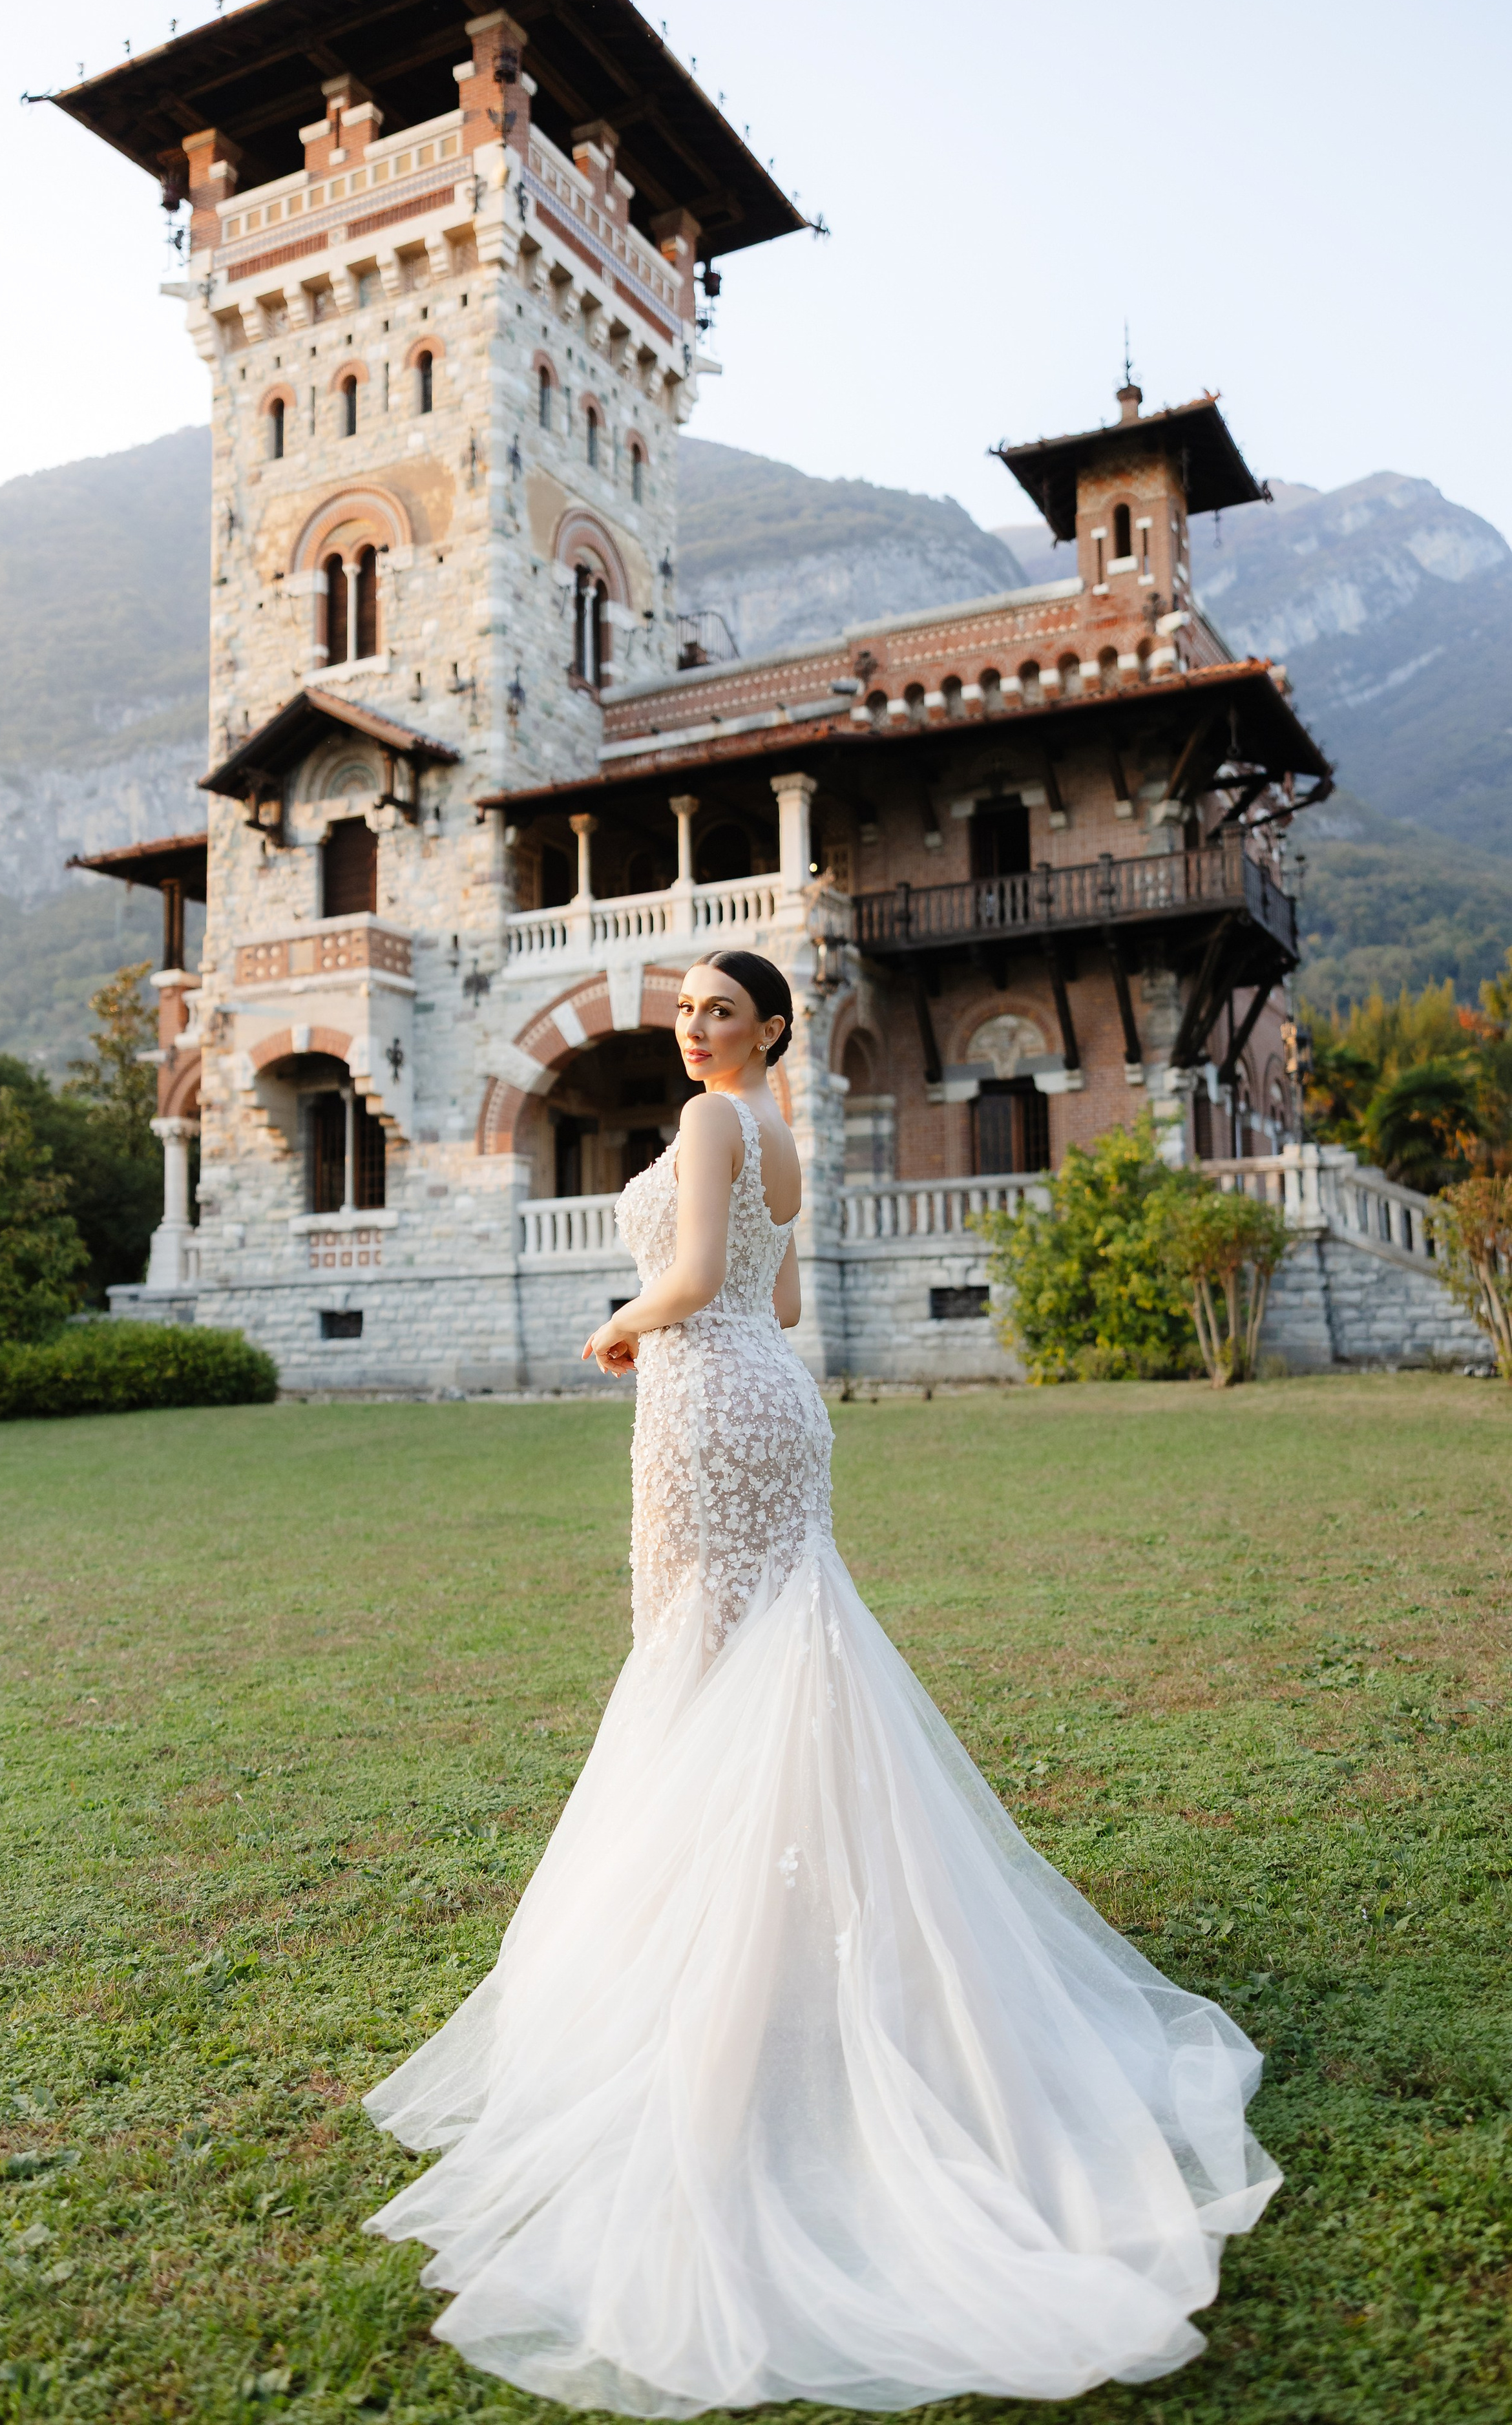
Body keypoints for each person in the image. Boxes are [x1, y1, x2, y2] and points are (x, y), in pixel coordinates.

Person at [362, 948, 1279, 2413]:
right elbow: (775, 1302)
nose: (694, 1028)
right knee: (766, 1660)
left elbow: (681, 1280)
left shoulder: (720, 1122)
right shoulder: (777, 1136)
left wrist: (617, 1320)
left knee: (700, 1664)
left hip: (707, 1408)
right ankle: (789, 1936)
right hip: (762, 1395)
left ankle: (733, 1965)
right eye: (683, 1013)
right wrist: (680, 1317)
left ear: (769, 1026)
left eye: (719, 1011)